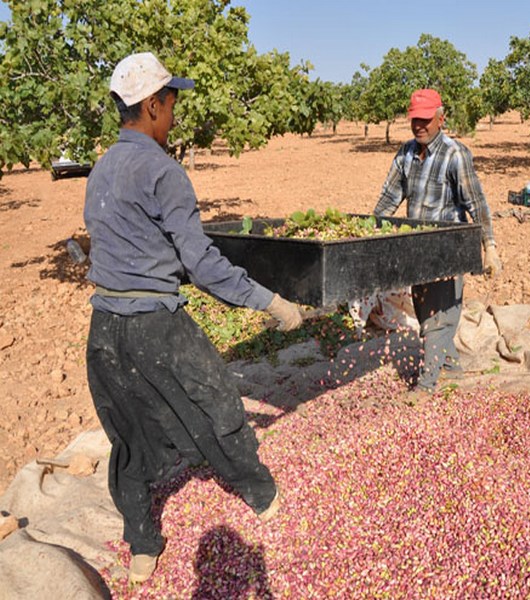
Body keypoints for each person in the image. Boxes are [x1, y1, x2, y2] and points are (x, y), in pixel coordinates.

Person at [83, 52, 304, 584]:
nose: (175, 113)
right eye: (172, 102)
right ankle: (260, 493)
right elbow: (201, 263)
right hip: (153, 324)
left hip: (104, 328)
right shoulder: (163, 170)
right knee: (216, 401)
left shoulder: (101, 168)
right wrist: (269, 302)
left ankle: (141, 543)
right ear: (153, 105)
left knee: (128, 432)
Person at [373, 88, 502, 396]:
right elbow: (389, 198)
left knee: (439, 317)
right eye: (415, 119)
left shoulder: (455, 154)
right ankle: (449, 362)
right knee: (422, 308)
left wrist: (490, 247)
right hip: (417, 249)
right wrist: (371, 233)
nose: (419, 125)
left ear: (441, 119)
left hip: (449, 249)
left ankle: (426, 384)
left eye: (426, 120)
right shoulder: (405, 153)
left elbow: (477, 203)